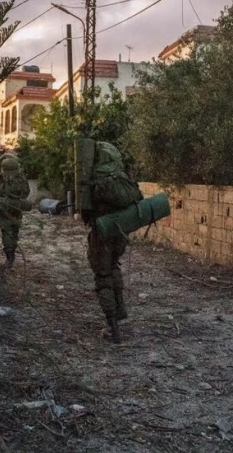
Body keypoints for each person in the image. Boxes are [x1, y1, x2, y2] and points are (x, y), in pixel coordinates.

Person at [84, 142, 135, 344]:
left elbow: (86, 212)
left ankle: (113, 327)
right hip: (120, 233)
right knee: (114, 268)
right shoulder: (122, 177)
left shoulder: (97, 179)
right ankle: (120, 309)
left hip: (102, 234)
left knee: (103, 276)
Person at [0, 155, 29, 268]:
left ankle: (9, 258)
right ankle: (11, 255)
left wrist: (1, 197)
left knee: (6, 232)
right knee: (15, 232)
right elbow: (26, 193)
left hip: (3, 210)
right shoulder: (21, 178)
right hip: (17, 209)